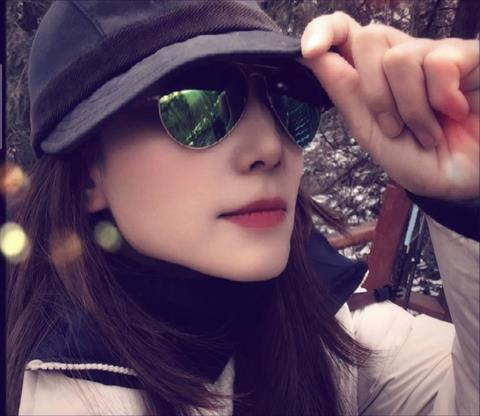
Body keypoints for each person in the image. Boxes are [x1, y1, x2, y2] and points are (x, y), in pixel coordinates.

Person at [6, 1, 479, 415]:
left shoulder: (334, 330)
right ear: (88, 177)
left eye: (289, 102)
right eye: (198, 107)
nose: (270, 147)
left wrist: (466, 195)